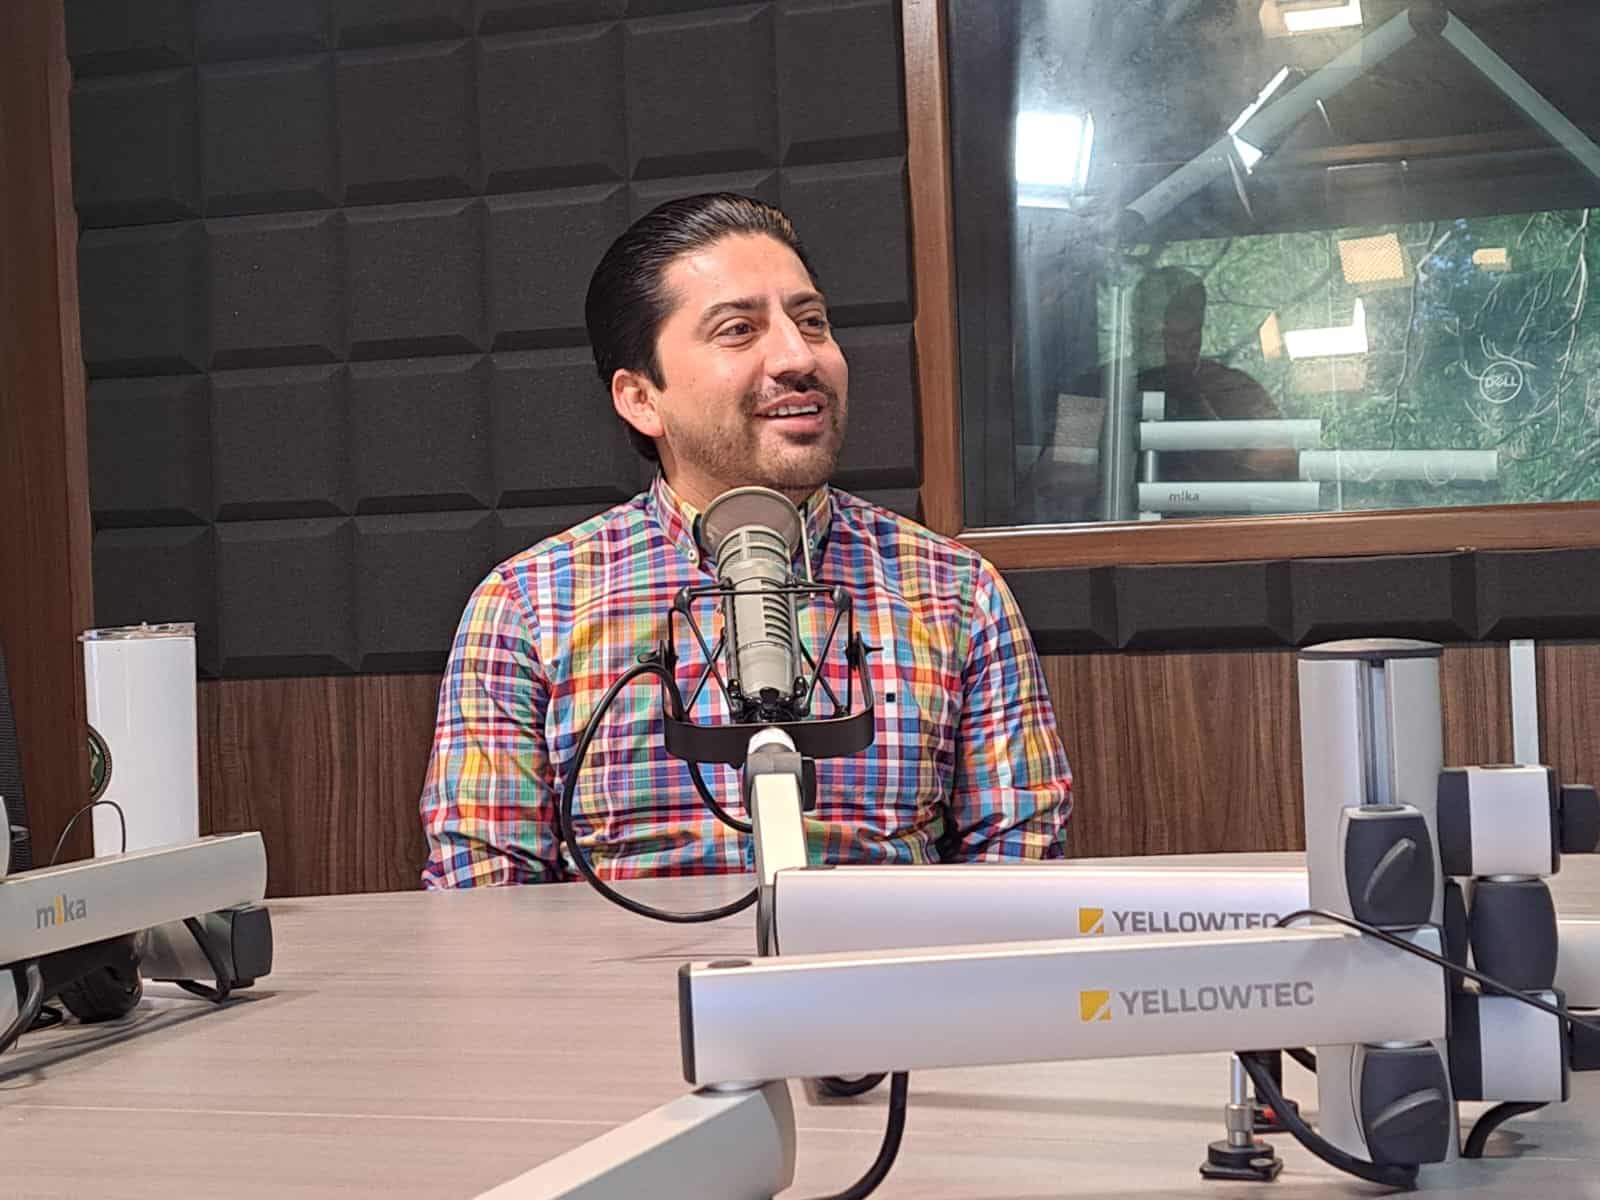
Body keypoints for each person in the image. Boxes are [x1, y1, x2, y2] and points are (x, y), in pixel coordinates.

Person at [420, 193, 1072, 887]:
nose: (797, 355)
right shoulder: (528, 607)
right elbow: (483, 894)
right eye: (738, 329)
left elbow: (1019, 868)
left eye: (812, 322)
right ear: (641, 398)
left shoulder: (955, 591)